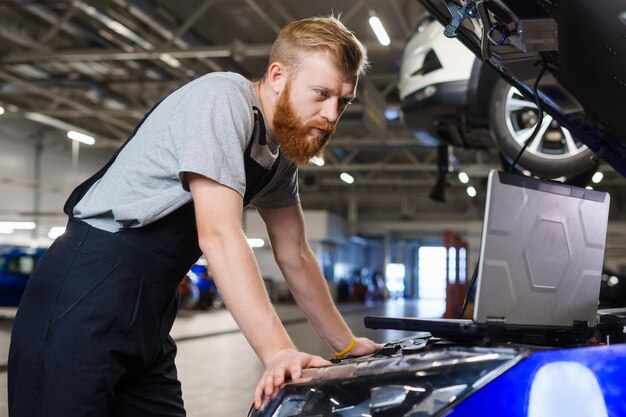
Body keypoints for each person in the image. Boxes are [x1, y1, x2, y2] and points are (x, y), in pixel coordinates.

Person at [8, 15, 382, 417]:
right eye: (321, 93)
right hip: (85, 290)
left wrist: (344, 344)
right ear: (277, 75)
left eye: (343, 101)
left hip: (152, 307)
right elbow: (219, 235)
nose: (331, 114)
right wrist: (276, 351)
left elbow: (295, 253)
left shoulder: (279, 155)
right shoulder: (223, 100)